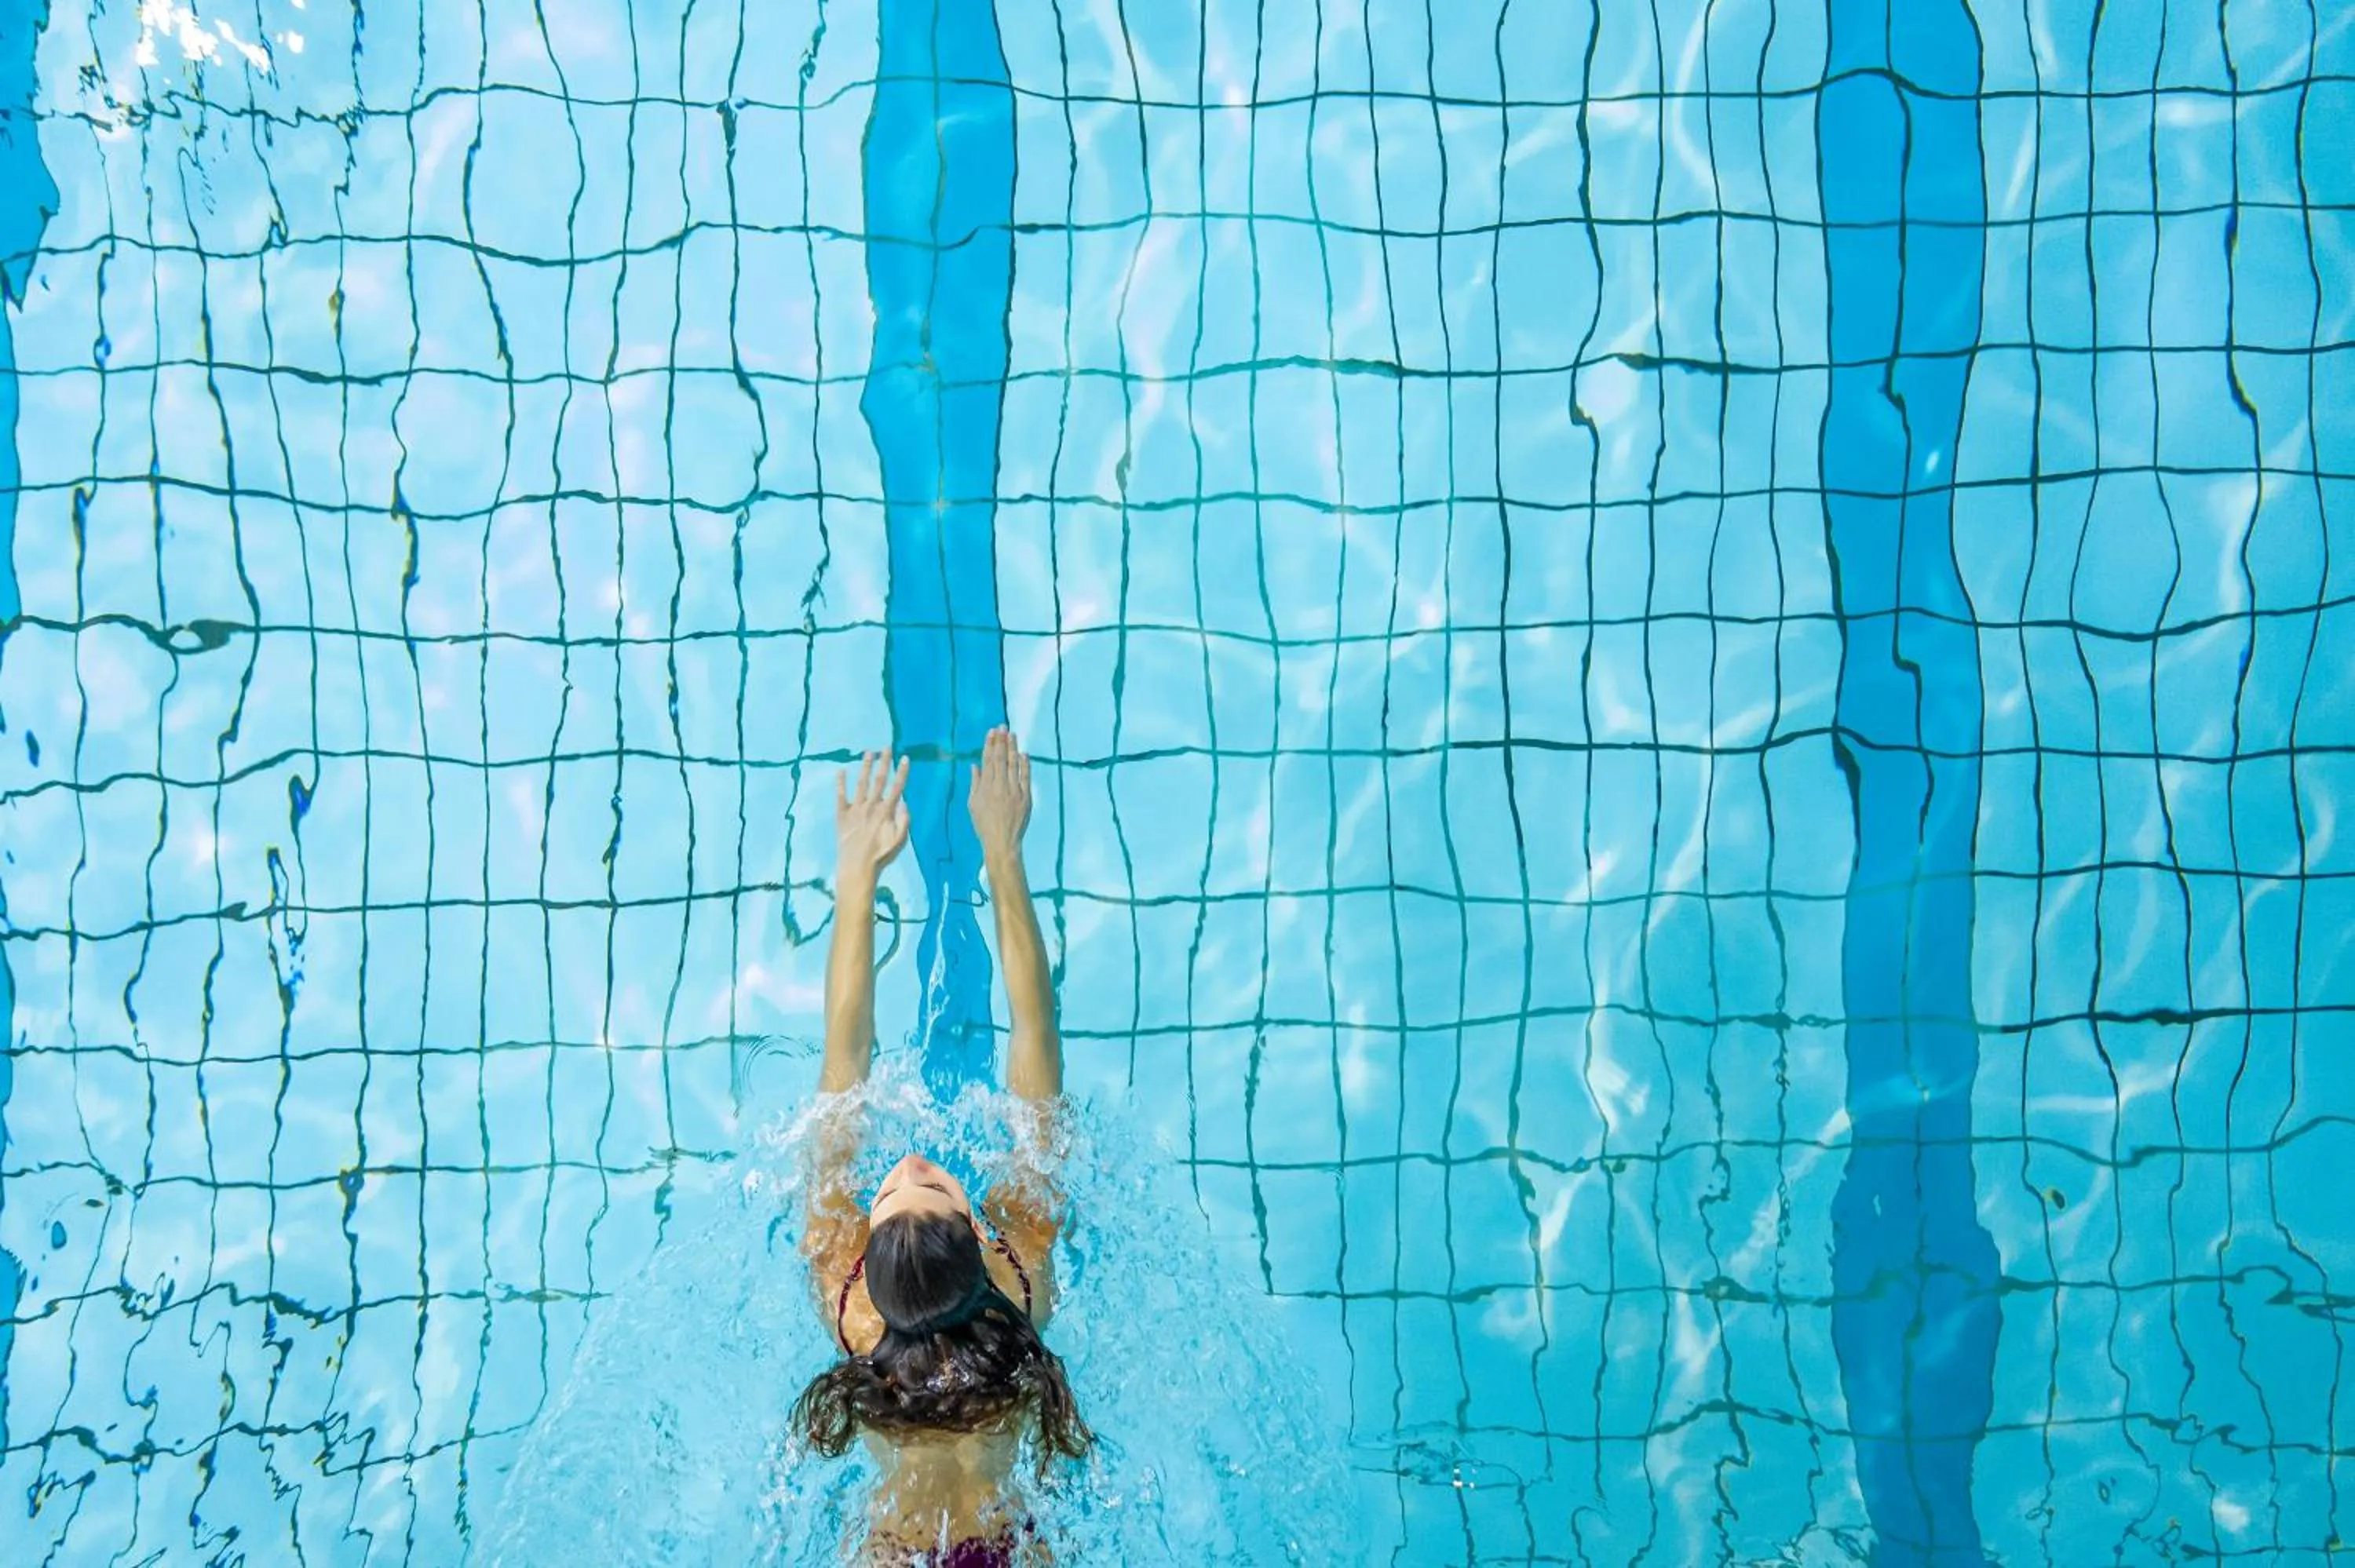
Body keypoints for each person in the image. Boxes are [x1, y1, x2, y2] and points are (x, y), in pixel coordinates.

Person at [792, 727, 1091, 1566]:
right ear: (973, 1228)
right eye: (927, 1188)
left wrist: (858, 885)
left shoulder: (848, 1305)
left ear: (870, 1250)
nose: (908, 1169)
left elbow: (843, 1071)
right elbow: (1037, 1049)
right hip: (1013, 1547)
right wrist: (1003, 854)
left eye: (888, 1194)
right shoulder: (1021, 1279)